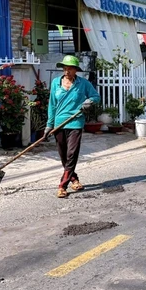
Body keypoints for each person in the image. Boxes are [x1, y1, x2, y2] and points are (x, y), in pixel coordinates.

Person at [45, 55, 100, 199]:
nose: (67, 71)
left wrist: (89, 101)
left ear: (76, 70)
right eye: (65, 68)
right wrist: (49, 125)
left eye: (70, 68)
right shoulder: (56, 83)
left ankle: (62, 185)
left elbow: (96, 97)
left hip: (75, 122)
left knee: (72, 154)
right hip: (59, 123)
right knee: (63, 155)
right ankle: (74, 179)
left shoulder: (83, 84)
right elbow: (52, 105)